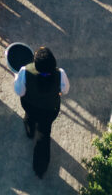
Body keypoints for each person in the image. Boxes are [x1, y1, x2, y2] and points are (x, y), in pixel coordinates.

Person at [13, 46, 70, 179]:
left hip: (30, 106)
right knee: (43, 137)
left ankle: (30, 131)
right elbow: (65, 90)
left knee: (30, 117)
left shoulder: (24, 71)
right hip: (50, 111)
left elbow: (19, 92)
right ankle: (40, 168)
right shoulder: (60, 73)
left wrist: (16, 77)